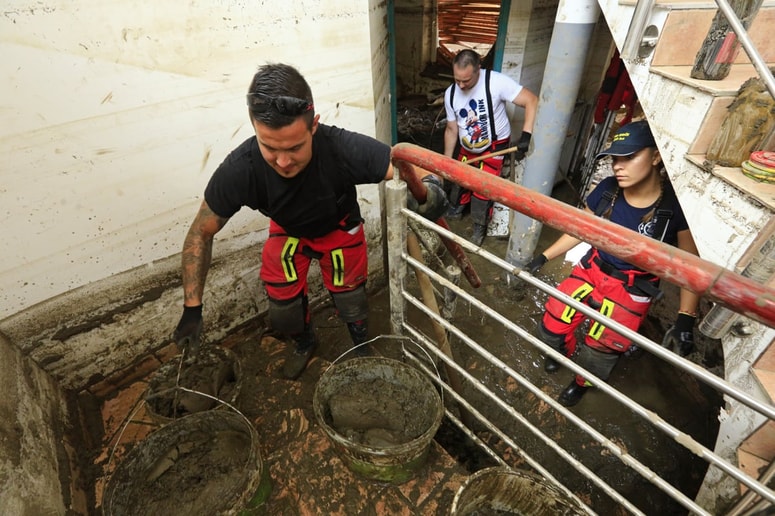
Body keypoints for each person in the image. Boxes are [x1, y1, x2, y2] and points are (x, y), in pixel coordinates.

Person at [172, 63, 448, 380]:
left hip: (339, 228)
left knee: (351, 301)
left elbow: (419, 170)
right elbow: (200, 233)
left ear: (313, 125)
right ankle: (305, 342)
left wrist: (432, 192)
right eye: (270, 148)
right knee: (283, 311)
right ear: (254, 127)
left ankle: (361, 347)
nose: (283, 162)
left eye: (294, 147)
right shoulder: (240, 169)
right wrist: (192, 308)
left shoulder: (342, 148)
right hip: (288, 232)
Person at [527, 120, 700, 407]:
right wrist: (544, 256)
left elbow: (690, 266)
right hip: (593, 270)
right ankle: (559, 353)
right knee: (554, 320)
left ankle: (581, 382)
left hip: (632, 288)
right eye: (615, 158)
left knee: (604, 346)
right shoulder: (608, 190)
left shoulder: (674, 207)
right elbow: (580, 229)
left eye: (630, 157)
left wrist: (685, 318)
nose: (618, 166)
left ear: (656, 156)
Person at [443, 49, 538, 246]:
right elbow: (452, 129)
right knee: (460, 179)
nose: (461, 85)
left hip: (494, 146)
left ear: (479, 70)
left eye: (466, 81)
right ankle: (457, 209)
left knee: (483, 189)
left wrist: (526, 135)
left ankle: (479, 226)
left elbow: (531, 100)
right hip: (467, 147)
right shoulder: (450, 93)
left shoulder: (496, 82)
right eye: (457, 80)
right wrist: (446, 161)